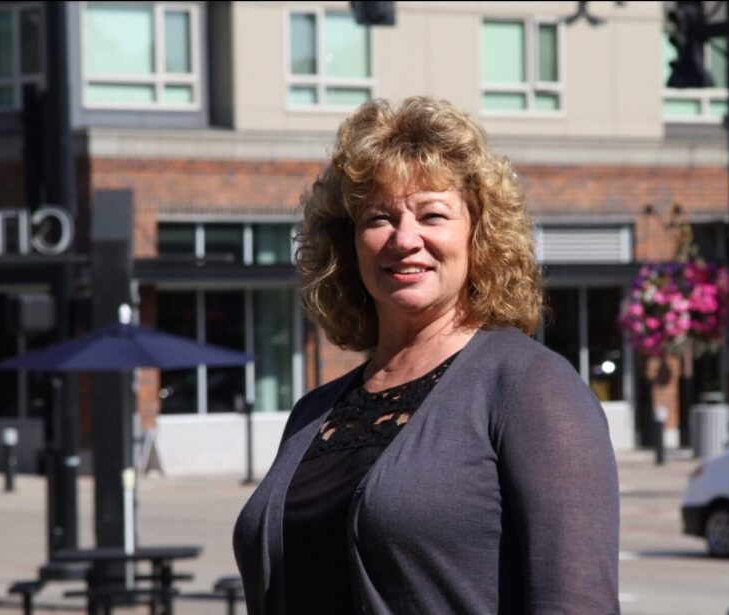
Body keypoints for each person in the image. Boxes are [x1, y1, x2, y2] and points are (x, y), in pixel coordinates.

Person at [233, 96, 619, 614]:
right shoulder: (313, 414)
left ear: (478, 235)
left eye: (431, 214)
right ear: (349, 243)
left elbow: (577, 603)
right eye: (379, 218)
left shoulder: (529, 387)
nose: (404, 239)